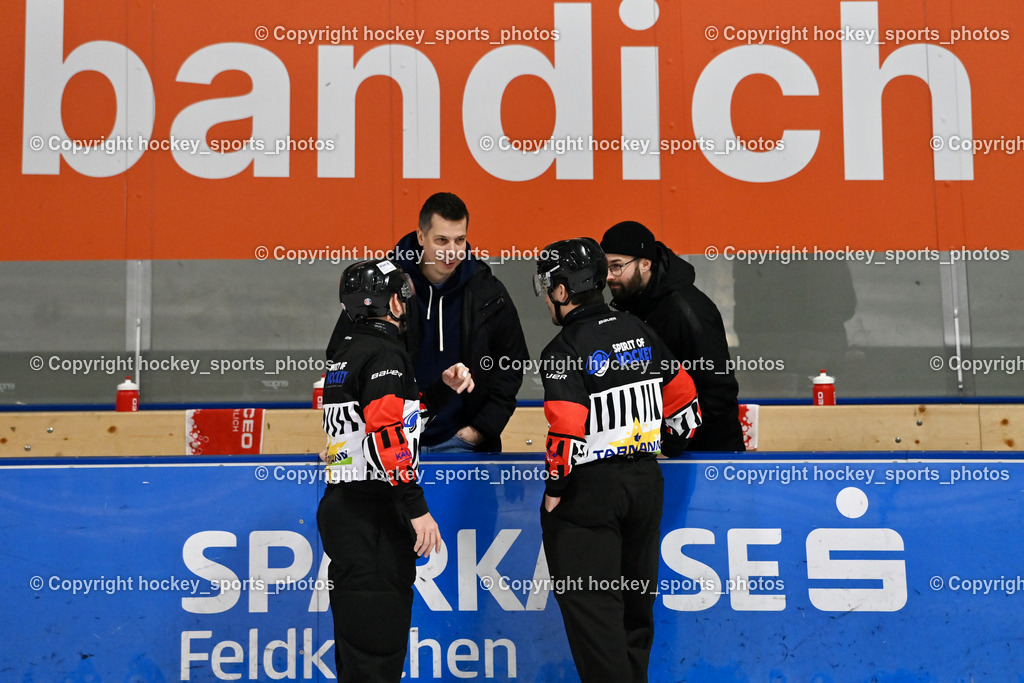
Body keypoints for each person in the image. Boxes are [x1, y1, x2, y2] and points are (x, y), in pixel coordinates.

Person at [534, 238, 702, 683]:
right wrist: (658, 446)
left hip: (590, 493)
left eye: (549, 287)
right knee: (633, 615)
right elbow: (686, 404)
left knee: (595, 620)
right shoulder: (638, 329)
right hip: (646, 485)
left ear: (562, 291)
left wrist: (554, 491)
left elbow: (567, 428)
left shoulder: (562, 349)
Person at [316, 259, 474, 682]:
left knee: (359, 654)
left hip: (347, 509)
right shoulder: (385, 354)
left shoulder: (347, 354)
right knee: (377, 655)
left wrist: (441, 391)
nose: (407, 301)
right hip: (374, 517)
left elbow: (396, 421)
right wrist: (417, 508)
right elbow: (387, 438)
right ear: (389, 303)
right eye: (401, 294)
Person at [327, 192, 528, 453]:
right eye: (441, 240)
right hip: (393, 442)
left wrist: (481, 430)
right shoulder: (381, 287)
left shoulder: (487, 291)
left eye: (460, 240)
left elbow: (511, 363)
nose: (452, 251)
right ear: (421, 237)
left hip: (463, 441)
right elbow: (343, 357)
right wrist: (353, 437)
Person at [601, 221, 745, 451]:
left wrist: (674, 443)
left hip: (705, 454)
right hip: (656, 447)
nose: (608, 276)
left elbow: (718, 392)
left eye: (617, 266)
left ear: (645, 264)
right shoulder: (635, 302)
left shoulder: (687, 311)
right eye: (605, 267)